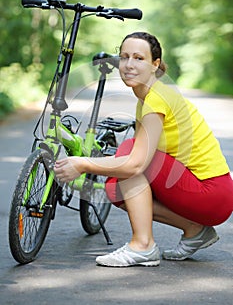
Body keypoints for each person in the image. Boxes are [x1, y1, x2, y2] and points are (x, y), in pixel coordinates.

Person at [54, 31, 233, 267]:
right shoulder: (148, 97)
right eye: (124, 57)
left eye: (139, 58)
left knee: (129, 155)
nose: (129, 64)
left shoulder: (157, 98)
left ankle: (143, 245)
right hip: (208, 193)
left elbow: (136, 163)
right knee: (115, 186)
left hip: (211, 192)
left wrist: (82, 163)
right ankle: (194, 229)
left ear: (155, 65)